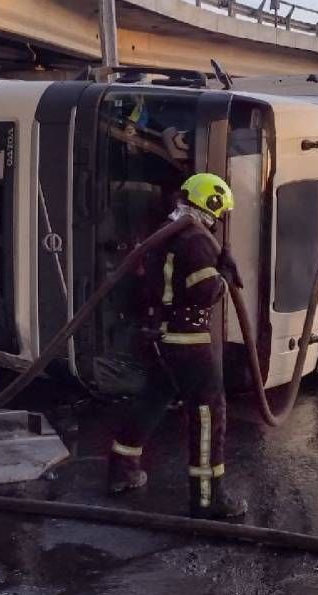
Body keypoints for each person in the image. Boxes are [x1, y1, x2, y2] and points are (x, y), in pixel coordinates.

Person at [108, 172, 248, 520]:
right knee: (208, 413)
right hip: (190, 341)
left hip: (163, 336)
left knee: (153, 399)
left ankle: (121, 469)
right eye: (219, 212)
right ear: (211, 203)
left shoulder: (165, 232)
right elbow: (204, 293)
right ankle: (208, 498)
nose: (218, 221)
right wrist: (225, 275)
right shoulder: (195, 240)